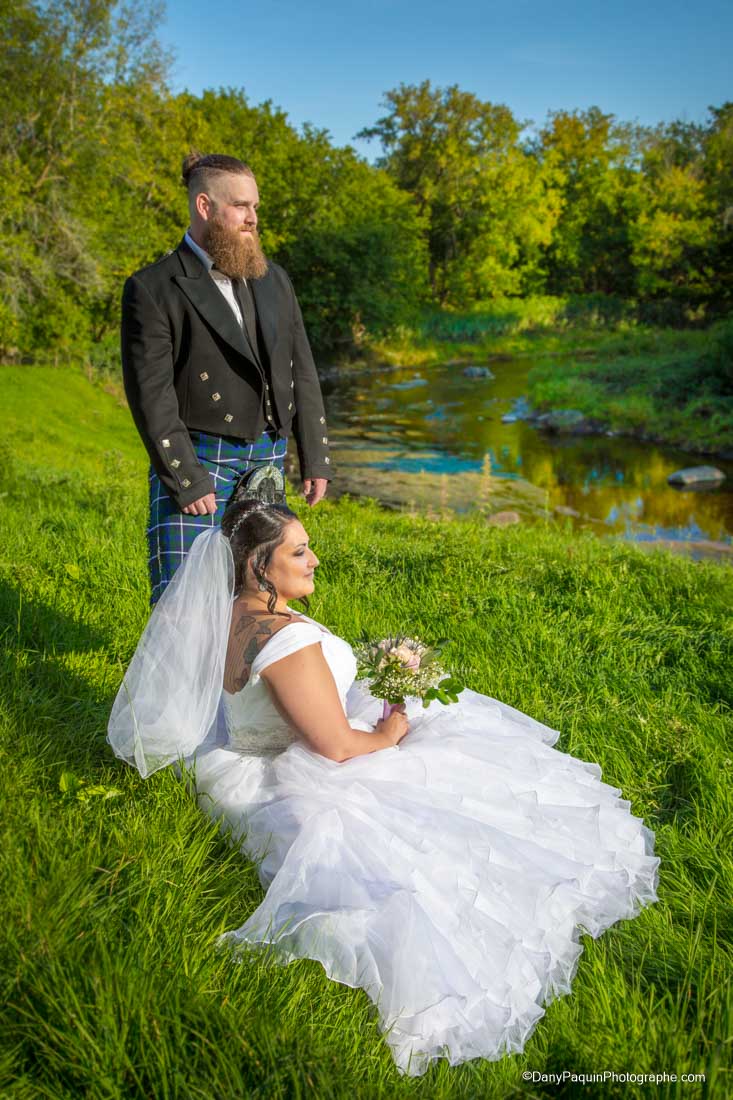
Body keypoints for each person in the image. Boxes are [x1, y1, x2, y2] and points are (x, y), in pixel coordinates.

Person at [108, 500, 659, 1076]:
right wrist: (391, 732)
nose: (314, 559)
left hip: (242, 752)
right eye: (299, 552)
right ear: (258, 566)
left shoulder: (230, 610)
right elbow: (339, 747)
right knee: (454, 790)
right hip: (291, 764)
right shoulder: (285, 641)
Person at [121, 152, 331, 603]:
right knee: (185, 598)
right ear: (204, 206)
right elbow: (150, 394)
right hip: (201, 457)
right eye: (241, 206)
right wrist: (185, 477)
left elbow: (301, 369)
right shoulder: (154, 287)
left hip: (267, 459)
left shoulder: (273, 279)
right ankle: (186, 677)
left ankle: (244, 674)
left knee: (264, 593)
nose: (252, 218)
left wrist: (315, 455)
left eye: (255, 207)